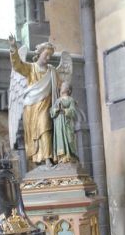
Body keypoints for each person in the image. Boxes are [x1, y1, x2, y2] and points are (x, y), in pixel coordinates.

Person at [8, 35, 55, 167]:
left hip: (45, 105)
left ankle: (48, 158)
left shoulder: (52, 71)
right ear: (40, 53)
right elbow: (17, 65)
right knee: (36, 132)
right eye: (46, 54)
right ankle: (40, 158)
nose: (48, 58)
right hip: (32, 106)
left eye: (50, 56)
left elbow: (61, 86)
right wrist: (13, 48)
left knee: (45, 127)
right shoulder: (30, 68)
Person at [50, 81, 79, 164]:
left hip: (67, 123)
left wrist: (64, 110)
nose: (62, 87)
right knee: (60, 139)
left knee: (69, 138)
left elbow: (73, 111)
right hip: (59, 124)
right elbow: (51, 112)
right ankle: (62, 157)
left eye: (64, 86)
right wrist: (56, 110)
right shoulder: (57, 101)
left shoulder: (70, 100)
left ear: (68, 90)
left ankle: (70, 155)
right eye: (62, 86)